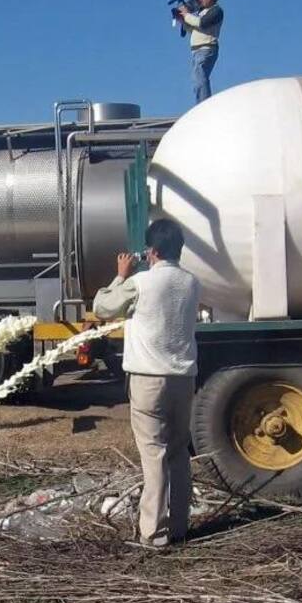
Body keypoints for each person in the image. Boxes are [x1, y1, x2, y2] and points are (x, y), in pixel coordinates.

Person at [93, 219, 201, 547]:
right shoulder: (191, 282)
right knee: (179, 451)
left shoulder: (140, 282)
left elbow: (102, 307)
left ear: (151, 251)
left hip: (148, 379)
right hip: (183, 377)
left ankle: (153, 533)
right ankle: (179, 526)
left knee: (153, 453)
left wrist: (121, 273)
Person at [178, 0, 224, 104]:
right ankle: (202, 103)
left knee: (200, 77)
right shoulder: (201, 12)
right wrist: (182, 20)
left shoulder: (216, 11)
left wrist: (186, 15)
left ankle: (204, 104)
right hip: (196, 51)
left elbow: (202, 23)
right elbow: (193, 29)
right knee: (197, 80)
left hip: (207, 49)